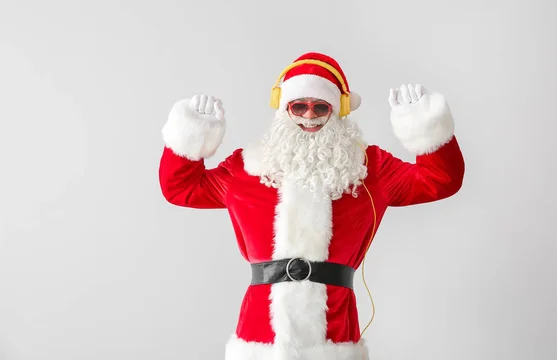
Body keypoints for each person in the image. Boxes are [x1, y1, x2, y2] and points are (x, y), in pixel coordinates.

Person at [158, 52, 465, 360]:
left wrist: (425, 128)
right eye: (298, 106)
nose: (309, 116)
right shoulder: (246, 168)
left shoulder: (369, 168)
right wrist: (192, 136)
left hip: (335, 336)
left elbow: (441, 179)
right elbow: (180, 187)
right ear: (283, 108)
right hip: (260, 339)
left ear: (338, 110)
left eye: (321, 106)